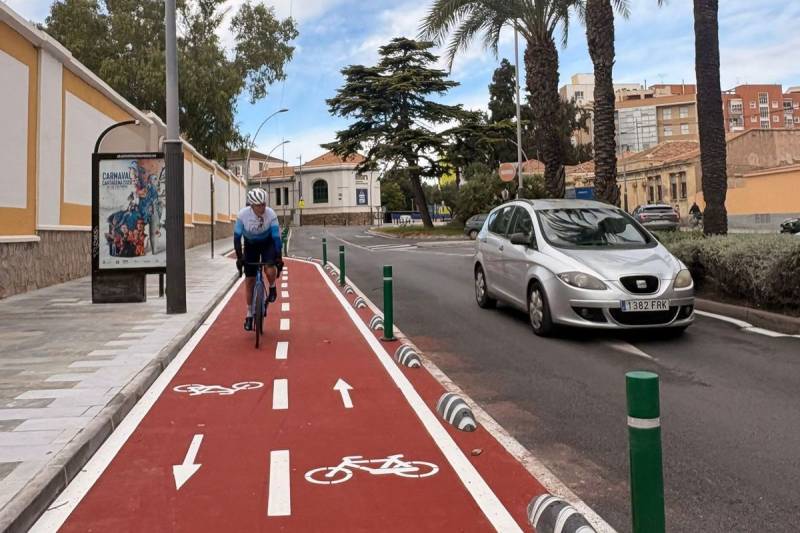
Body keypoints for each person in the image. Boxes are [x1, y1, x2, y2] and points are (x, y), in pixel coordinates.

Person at [234, 188, 283, 331]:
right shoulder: (242, 215)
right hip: (251, 245)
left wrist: (279, 257)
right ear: (252, 205)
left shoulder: (271, 214)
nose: (262, 207)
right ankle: (249, 314)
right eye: (259, 205)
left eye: (264, 204)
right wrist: (240, 258)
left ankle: (272, 287)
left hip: (267, 243)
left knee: (269, 268)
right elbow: (237, 238)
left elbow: (276, 237)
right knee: (249, 280)